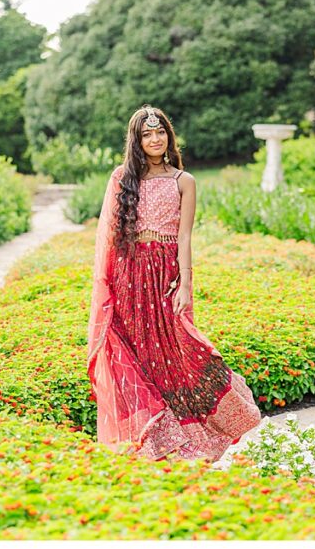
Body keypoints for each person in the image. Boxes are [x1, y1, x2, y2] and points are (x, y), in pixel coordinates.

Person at [86, 105, 262, 462]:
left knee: (179, 350)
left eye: (160, 132)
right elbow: (109, 236)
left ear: (169, 136)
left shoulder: (184, 181)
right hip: (129, 277)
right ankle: (152, 438)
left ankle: (212, 425)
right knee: (138, 354)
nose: (154, 139)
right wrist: (111, 288)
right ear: (136, 141)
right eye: (146, 134)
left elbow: (184, 237)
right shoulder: (122, 178)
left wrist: (183, 283)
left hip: (165, 274)